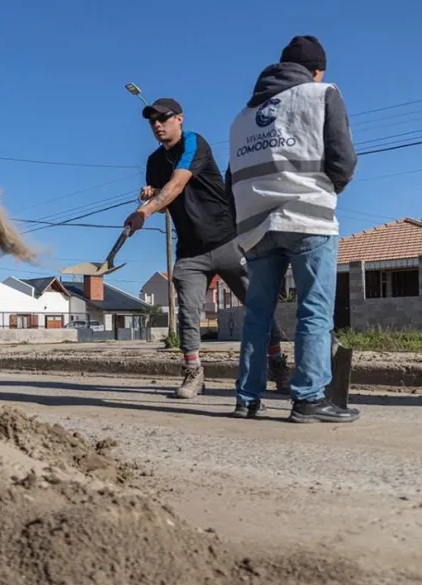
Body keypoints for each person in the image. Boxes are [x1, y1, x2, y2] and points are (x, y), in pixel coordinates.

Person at [227, 35, 359, 423]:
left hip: (255, 227)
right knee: (314, 311)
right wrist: (328, 189)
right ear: (316, 71)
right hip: (306, 216)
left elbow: (230, 178)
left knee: (257, 316)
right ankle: (308, 399)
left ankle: (247, 398)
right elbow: (343, 157)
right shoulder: (321, 94)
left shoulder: (241, 117)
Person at [124, 98, 289, 399]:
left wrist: (145, 210)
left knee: (259, 305)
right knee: (188, 312)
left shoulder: (194, 143)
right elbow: (166, 200)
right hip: (190, 251)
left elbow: (176, 186)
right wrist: (151, 196)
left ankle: (278, 365)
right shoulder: (153, 162)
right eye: (152, 121)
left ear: (180, 118)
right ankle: (194, 373)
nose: (158, 125)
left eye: (164, 118)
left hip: (227, 240)